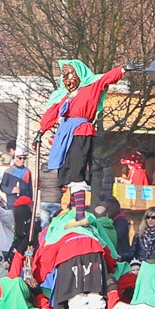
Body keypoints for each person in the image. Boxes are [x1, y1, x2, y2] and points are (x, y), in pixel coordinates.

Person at [35, 60, 134, 228]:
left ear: (79, 73)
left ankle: (80, 215)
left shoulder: (90, 88)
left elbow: (106, 79)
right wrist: (40, 131)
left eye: (70, 73)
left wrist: (123, 69)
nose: (67, 79)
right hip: (67, 134)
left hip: (80, 133)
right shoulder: (65, 96)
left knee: (76, 172)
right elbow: (52, 113)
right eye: (64, 75)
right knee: (68, 170)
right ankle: (73, 207)